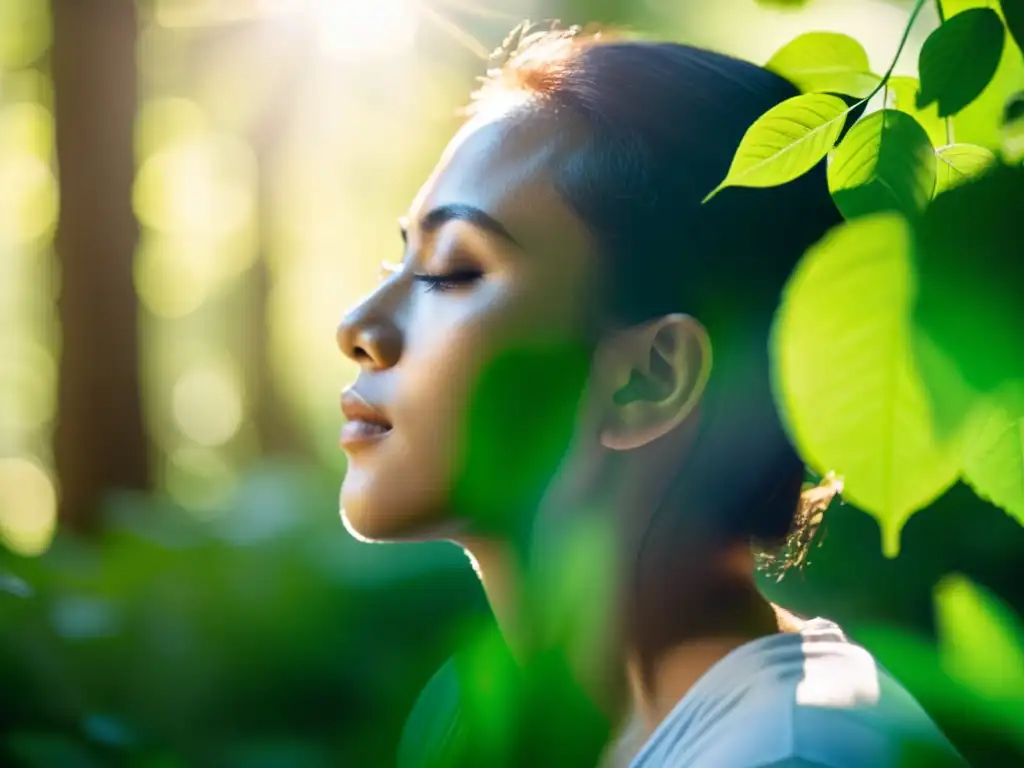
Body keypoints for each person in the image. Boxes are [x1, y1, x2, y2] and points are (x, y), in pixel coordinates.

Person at [335, 22, 967, 768]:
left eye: (453, 270)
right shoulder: (474, 722)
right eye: (399, 259)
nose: (359, 327)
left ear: (649, 379)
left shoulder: (798, 753)